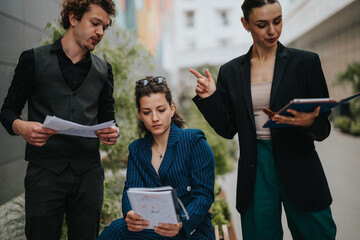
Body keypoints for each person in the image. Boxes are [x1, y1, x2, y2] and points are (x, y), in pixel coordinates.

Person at [190, 0, 337, 239]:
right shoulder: (230, 71)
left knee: (317, 234)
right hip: (256, 166)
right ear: (245, 24)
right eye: (262, 24)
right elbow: (228, 129)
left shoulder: (306, 63)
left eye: (277, 21)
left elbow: (324, 127)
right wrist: (210, 97)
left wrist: (310, 122)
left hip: (300, 163)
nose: (273, 31)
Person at [0, 0, 118, 239]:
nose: (100, 32)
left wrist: (111, 131)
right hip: (44, 173)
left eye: (104, 27)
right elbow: (7, 111)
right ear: (73, 18)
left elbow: (108, 119)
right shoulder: (32, 60)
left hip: (88, 175)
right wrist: (21, 127)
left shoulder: (104, 70)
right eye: (95, 23)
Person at [97, 76, 215, 240]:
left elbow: (204, 195)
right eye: (147, 112)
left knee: (118, 229)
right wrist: (130, 213)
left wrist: (181, 223)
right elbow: (131, 190)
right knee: (120, 228)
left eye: (161, 110)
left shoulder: (193, 141)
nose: (154, 118)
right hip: (152, 229)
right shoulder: (137, 149)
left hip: (190, 232)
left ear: (171, 109)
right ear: (139, 114)